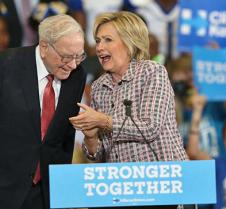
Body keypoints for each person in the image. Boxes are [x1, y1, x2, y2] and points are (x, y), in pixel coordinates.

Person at [0, 14, 86, 209]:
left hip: (44, 192)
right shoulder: (4, 65)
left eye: (79, 56)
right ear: (45, 46)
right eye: (66, 57)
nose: (73, 64)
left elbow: (65, 135)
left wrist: (61, 189)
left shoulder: (76, 75)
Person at [69, 11, 188, 209]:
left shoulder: (152, 72)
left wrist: (103, 121)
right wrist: (90, 137)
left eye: (108, 40)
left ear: (129, 43)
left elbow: (150, 127)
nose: (99, 47)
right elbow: (99, 154)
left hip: (164, 187)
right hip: (122, 191)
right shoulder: (99, 87)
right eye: (98, 41)